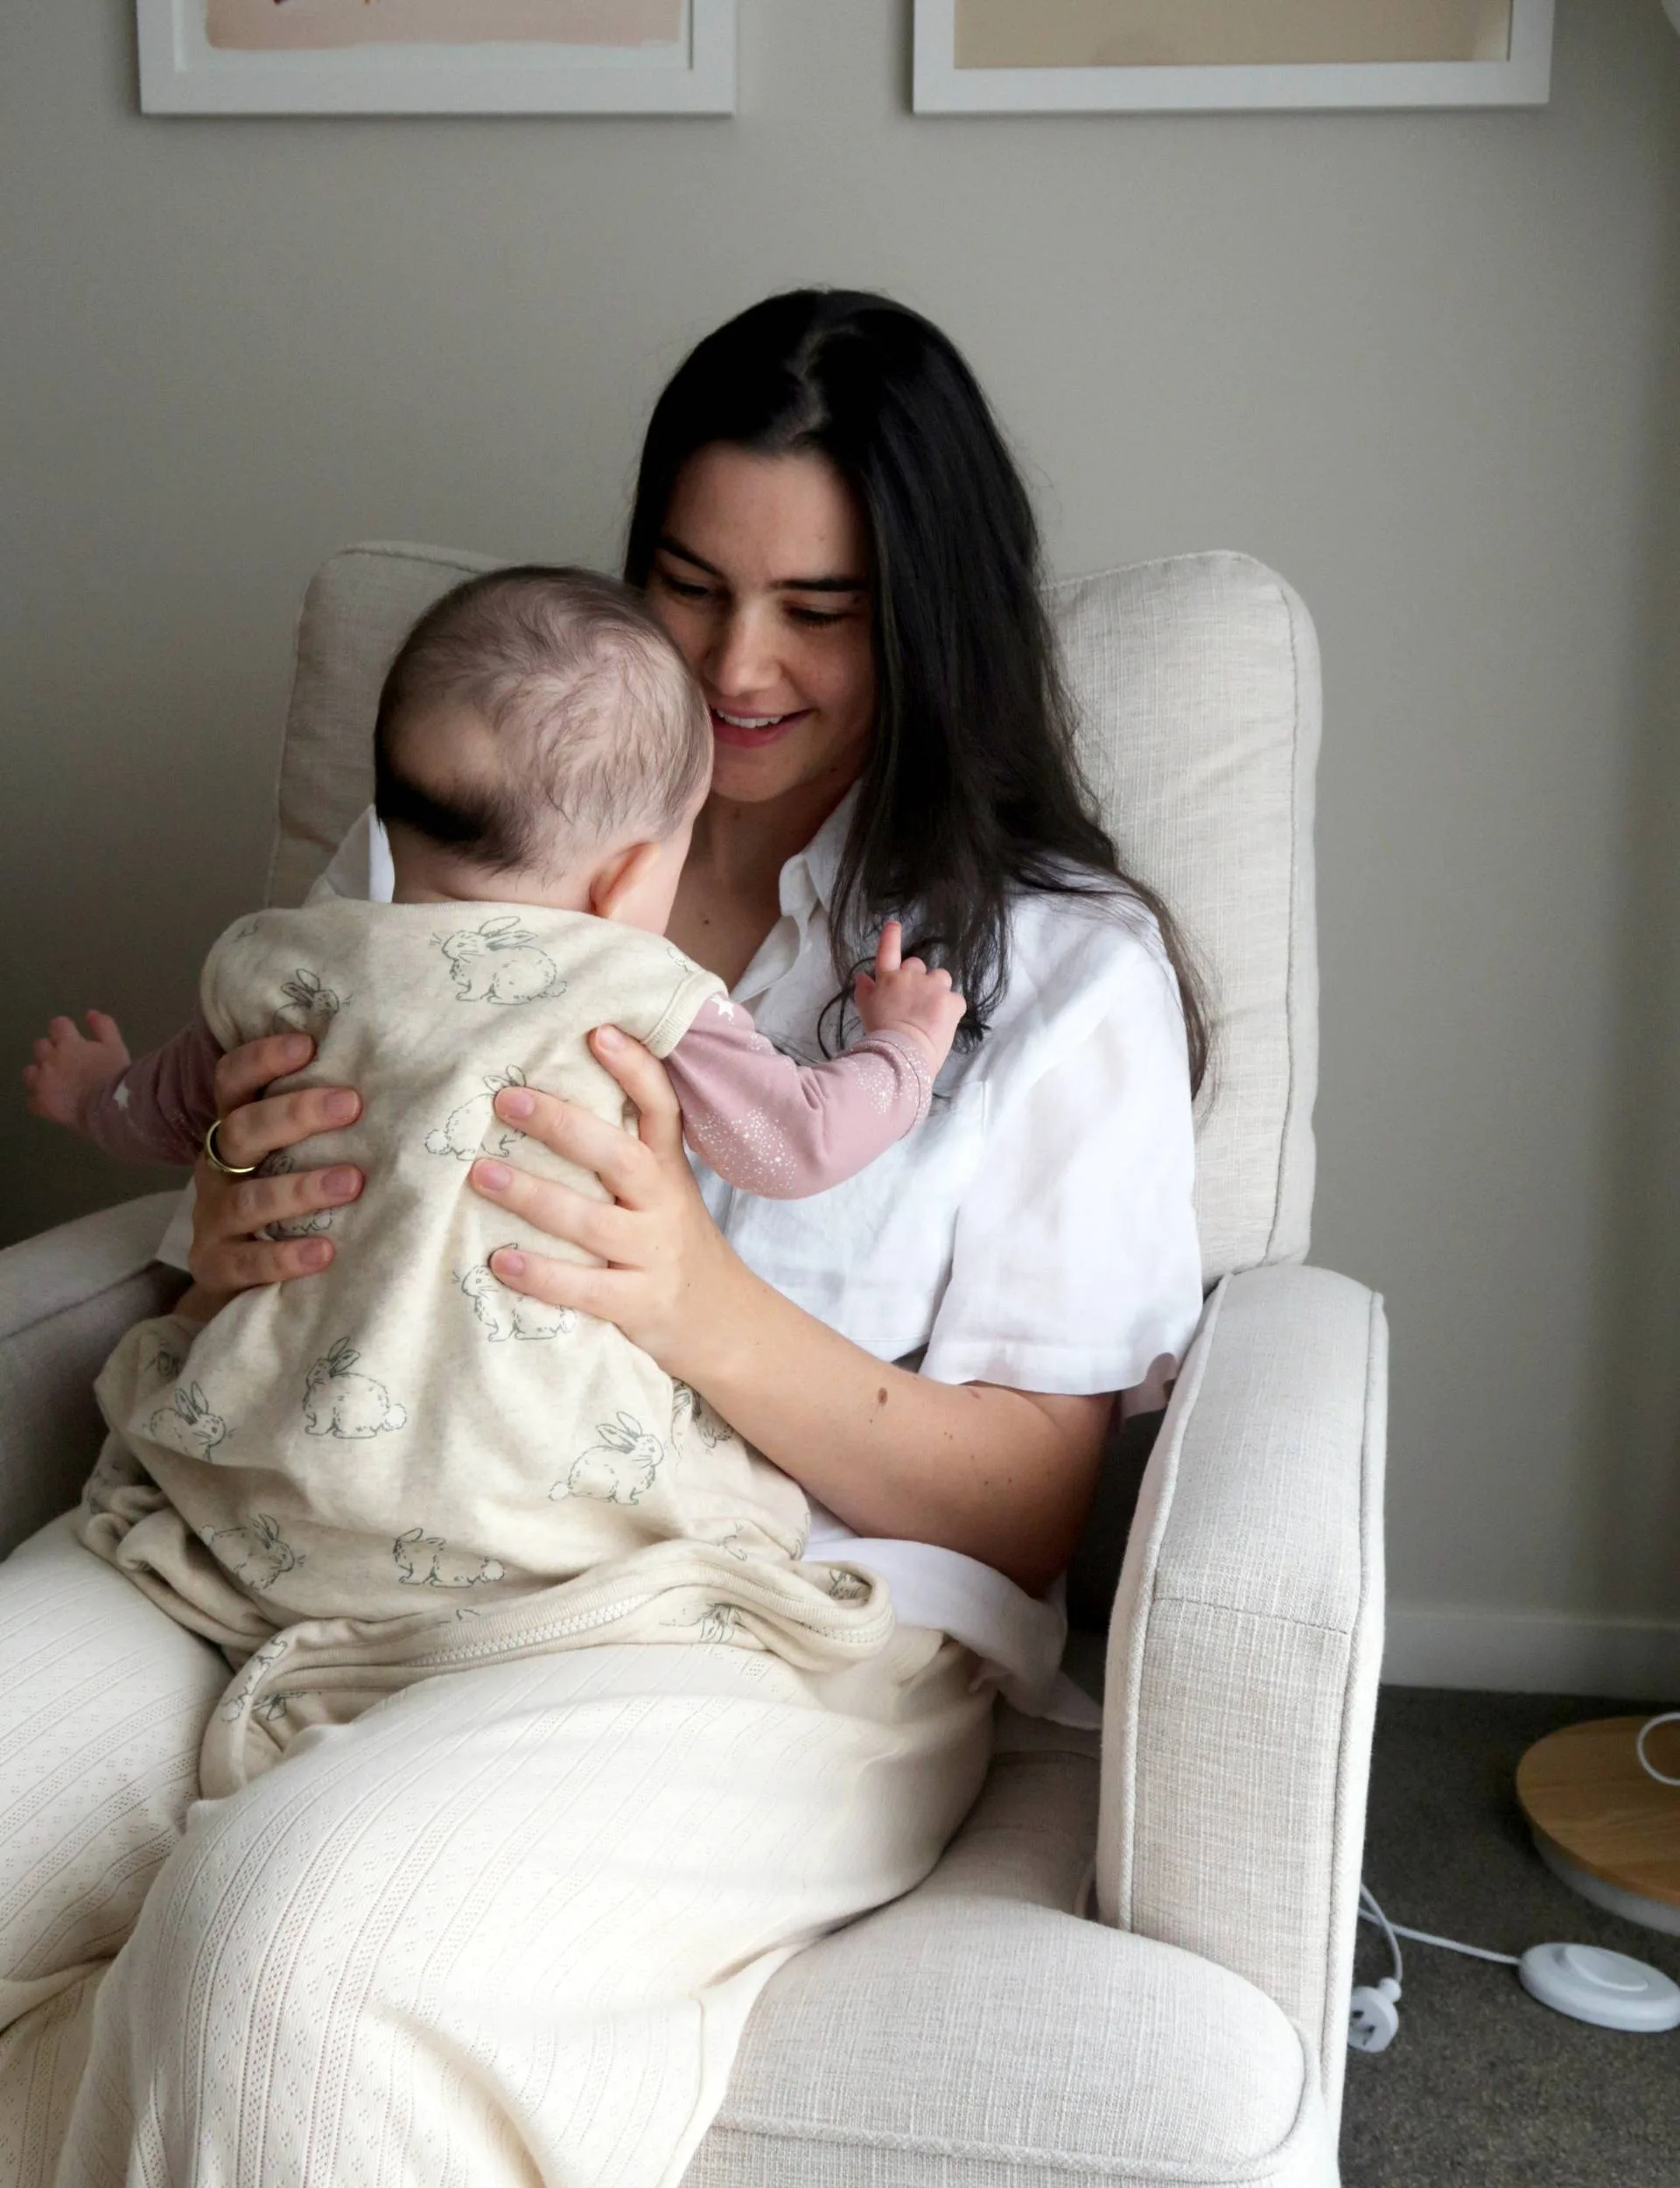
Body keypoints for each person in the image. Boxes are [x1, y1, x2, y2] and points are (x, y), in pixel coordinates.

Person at [0, 289, 1208, 2187]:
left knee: (276, 1968)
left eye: (822, 610)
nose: (737, 664)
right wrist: (223, 1218)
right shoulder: (455, 841)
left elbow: (1033, 1509)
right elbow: (248, 1192)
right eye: (688, 582)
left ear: (932, 614)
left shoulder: (1054, 976)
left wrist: (697, 1302)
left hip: (747, 1630)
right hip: (286, 1535)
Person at [25, 566, 965, 1782]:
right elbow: (801, 1142)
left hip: (282, 1506)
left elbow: (164, 1110)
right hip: (529, 1547)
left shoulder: (283, 961)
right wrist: (905, 1040)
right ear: (634, 878)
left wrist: (86, 1089)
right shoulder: (634, 987)